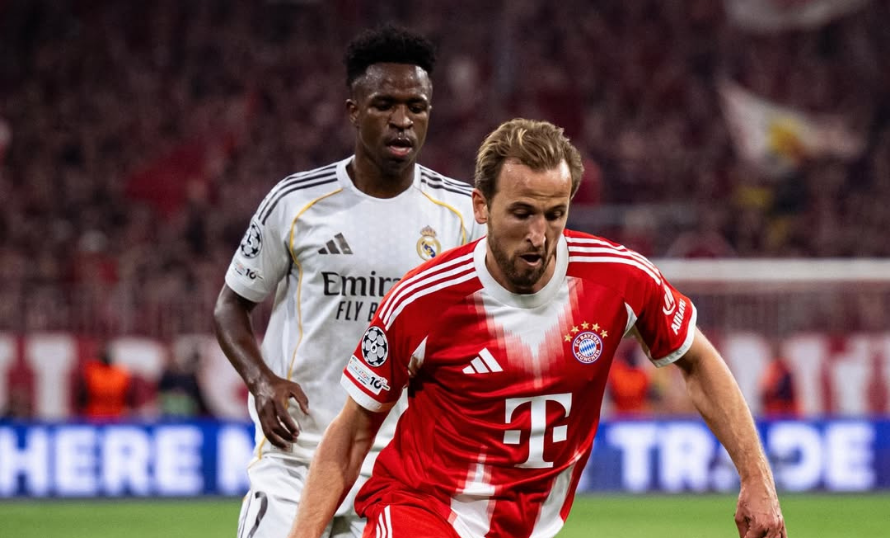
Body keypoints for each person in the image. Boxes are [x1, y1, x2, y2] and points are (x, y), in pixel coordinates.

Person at [288, 119, 787, 538]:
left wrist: (757, 480)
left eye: (555, 214)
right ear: (481, 207)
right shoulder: (422, 301)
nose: (538, 235)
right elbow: (351, 434)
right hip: (420, 511)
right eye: (522, 213)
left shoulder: (619, 280)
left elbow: (697, 361)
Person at [212, 24, 483, 538]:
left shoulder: (461, 214)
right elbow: (230, 305)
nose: (402, 120)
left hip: (400, 472)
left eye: (417, 107)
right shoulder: (296, 202)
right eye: (384, 105)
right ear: (353, 111)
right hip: (296, 457)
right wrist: (262, 381)